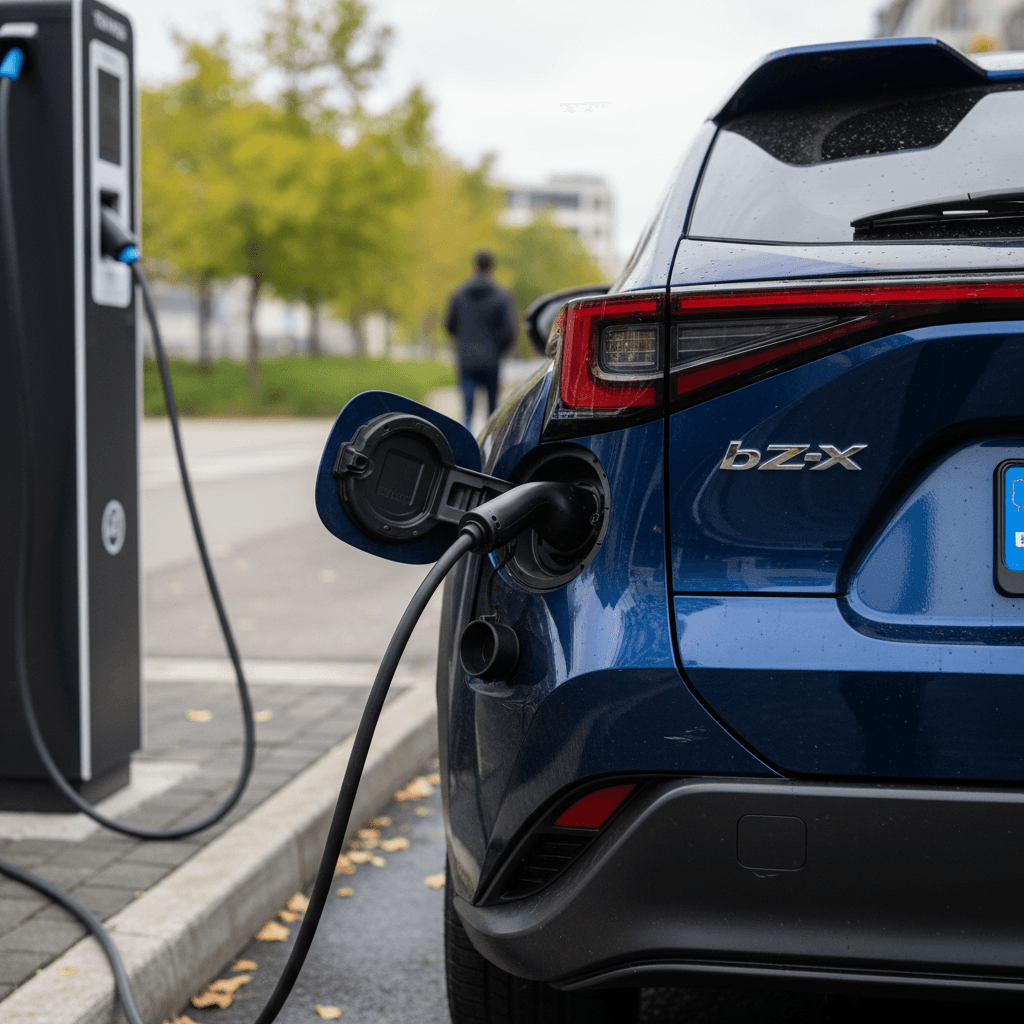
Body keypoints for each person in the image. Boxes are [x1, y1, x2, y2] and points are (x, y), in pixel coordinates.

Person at [444, 250, 518, 428]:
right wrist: (499, 350)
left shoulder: (458, 294)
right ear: (492, 268)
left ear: (475, 266)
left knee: (467, 412)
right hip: (491, 359)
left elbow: (449, 325)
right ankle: (489, 450)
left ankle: (466, 448)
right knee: (492, 413)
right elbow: (510, 330)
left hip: (466, 359)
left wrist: (463, 343)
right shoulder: (503, 296)